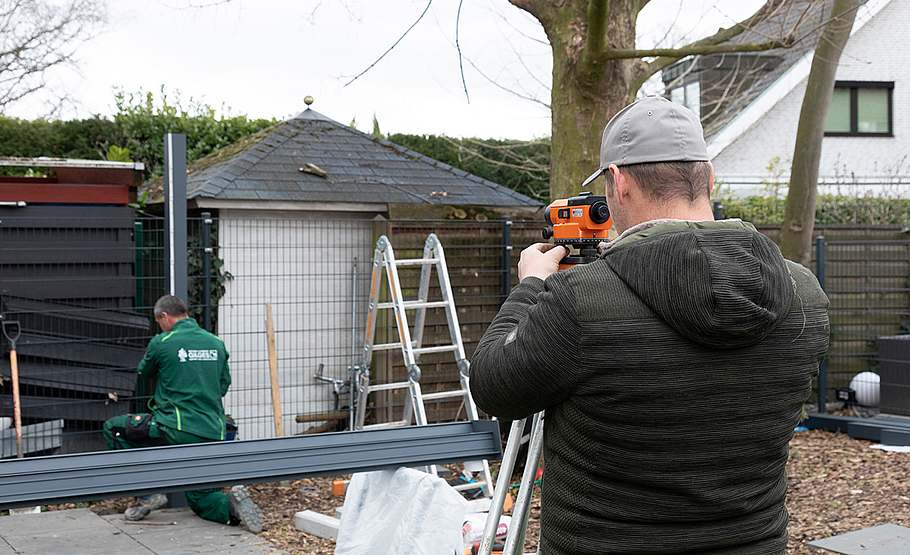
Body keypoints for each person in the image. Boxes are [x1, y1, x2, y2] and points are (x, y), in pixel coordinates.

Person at [470, 96, 830, 554]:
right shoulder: (804, 294)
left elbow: (493, 386)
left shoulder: (579, 302)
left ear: (619, 182)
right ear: (709, 177)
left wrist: (531, 288)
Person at [102, 295, 263, 533]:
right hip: (212, 430)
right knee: (200, 496)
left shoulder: (163, 342)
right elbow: (222, 386)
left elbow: (144, 372)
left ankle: (146, 494)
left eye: (159, 322)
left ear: (164, 316)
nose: (160, 326)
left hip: (174, 427)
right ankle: (232, 508)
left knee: (114, 428)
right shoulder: (216, 342)